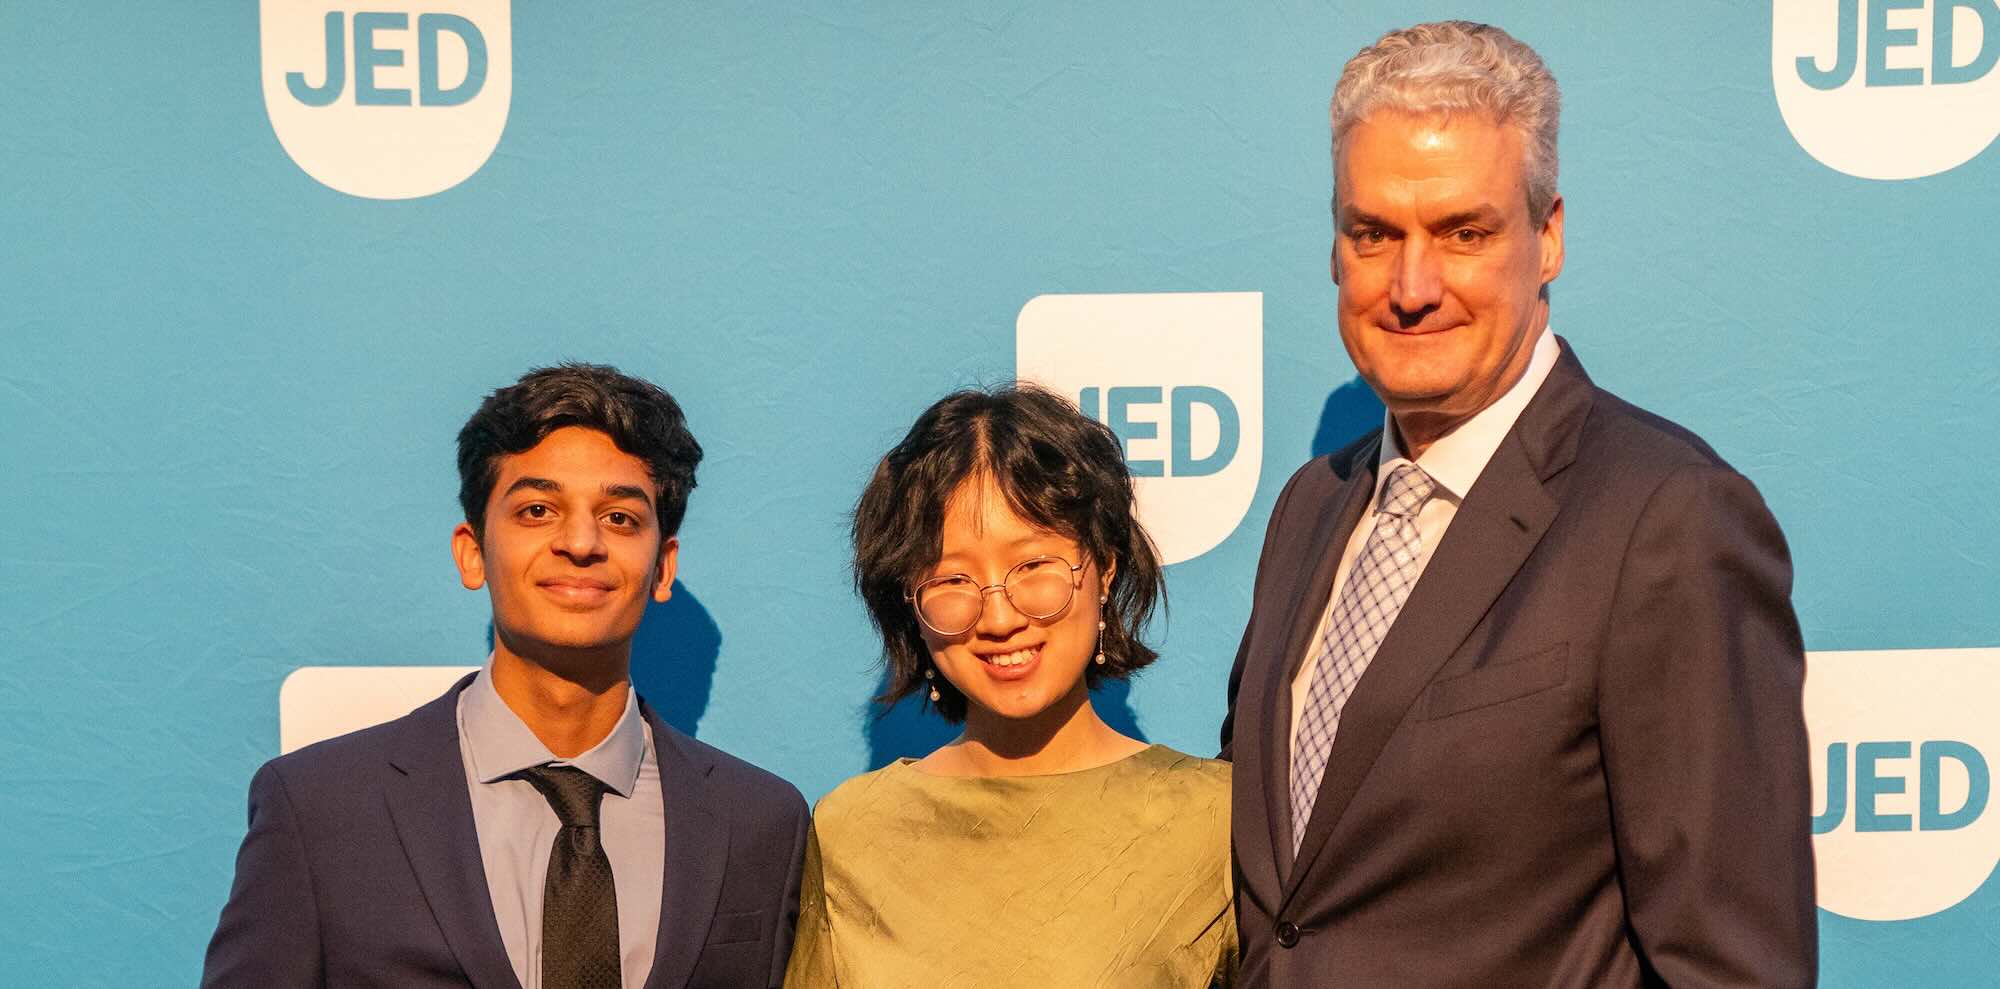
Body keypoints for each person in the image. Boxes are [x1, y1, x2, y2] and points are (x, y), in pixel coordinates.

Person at [1220, 21, 1817, 987]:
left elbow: (1732, 967)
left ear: (1547, 238)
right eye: (1374, 233)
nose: (1411, 288)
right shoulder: (1309, 508)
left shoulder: (1667, 518)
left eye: (1464, 232)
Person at [202, 363, 808, 989]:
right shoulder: (319, 809)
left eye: (621, 518)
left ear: (662, 567)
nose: (581, 541)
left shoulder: (760, 823)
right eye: (538, 510)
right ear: (472, 551)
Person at [785, 385, 1235, 988]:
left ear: (1103, 567)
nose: (999, 618)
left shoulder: (1214, 818)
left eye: (1032, 566)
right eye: (952, 579)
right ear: (910, 607)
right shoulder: (852, 829)